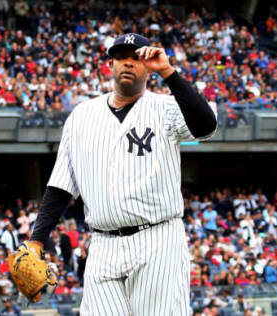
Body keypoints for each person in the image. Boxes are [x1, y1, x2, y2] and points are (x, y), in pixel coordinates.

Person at [27, 33, 217, 315]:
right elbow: (60, 186)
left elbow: (206, 126)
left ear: (147, 67)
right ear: (111, 65)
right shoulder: (81, 117)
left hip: (158, 240)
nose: (128, 63)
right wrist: (36, 238)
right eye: (120, 58)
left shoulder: (166, 108)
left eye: (135, 57)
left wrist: (168, 71)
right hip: (102, 244)